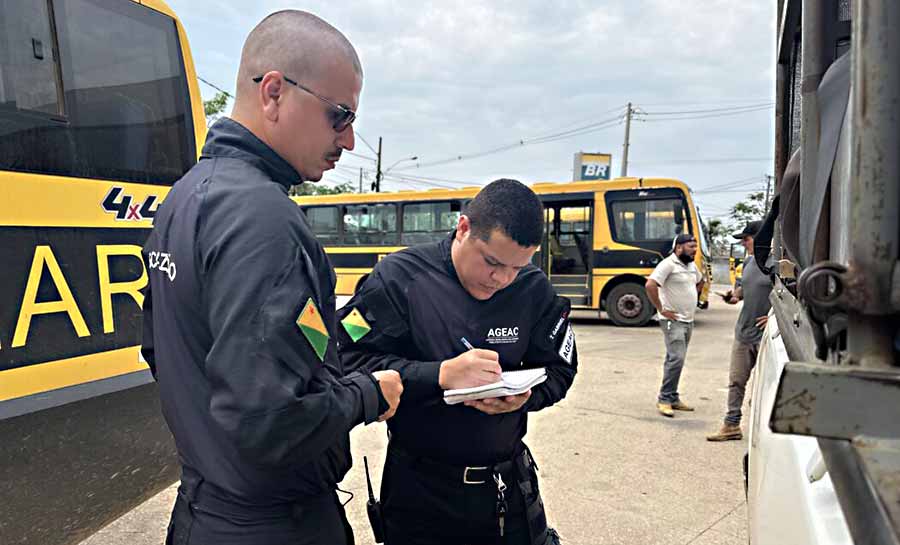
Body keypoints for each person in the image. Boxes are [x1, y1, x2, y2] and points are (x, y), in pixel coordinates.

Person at [141, 11, 403, 545]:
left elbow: (159, 352)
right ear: (275, 92)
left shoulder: (184, 197)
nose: (349, 140)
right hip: (273, 524)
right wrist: (369, 393)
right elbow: (268, 423)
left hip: (200, 510)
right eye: (340, 115)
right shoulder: (264, 220)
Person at [337, 179, 575, 545]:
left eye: (517, 266)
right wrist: (440, 375)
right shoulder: (399, 279)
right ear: (463, 228)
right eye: (492, 262)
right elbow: (347, 356)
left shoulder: (533, 289)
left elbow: (560, 369)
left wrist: (527, 396)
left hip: (506, 486)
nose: (502, 279)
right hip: (419, 490)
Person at [707, 220, 772, 441]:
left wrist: (774, 318)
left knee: (766, 387)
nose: (744, 243)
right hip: (744, 334)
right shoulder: (749, 263)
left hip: (767, 338)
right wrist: (733, 296)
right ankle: (732, 425)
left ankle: (765, 433)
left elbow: (790, 296)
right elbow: (743, 289)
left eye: (747, 239)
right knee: (736, 381)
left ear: (762, 238)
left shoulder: (776, 265)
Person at [645, 234, 705, 417]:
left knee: (676, 359)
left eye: (695, 246)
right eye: (690, 247)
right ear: (678, 247)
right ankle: (664, 399)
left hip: (688, 320)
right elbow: (650, 285)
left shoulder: (690, 265)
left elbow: (700, 281)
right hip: (672, 320)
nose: (694, 250)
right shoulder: (668, 264)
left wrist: (693, 298)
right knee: (676, 358)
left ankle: (673, 397)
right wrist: (661, 309)